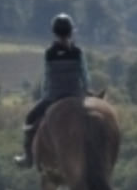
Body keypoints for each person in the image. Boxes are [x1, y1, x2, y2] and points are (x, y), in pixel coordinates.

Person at [14, 13, 92, 168]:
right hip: (75, 95)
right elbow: (85, 75)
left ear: (54, 33)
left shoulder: (49, 53)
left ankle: (28, 157)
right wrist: (85, 91)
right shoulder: (78, 52)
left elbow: (46, 78)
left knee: (29, 119)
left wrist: (45, 96)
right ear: (71, 31)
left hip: (53, 96)